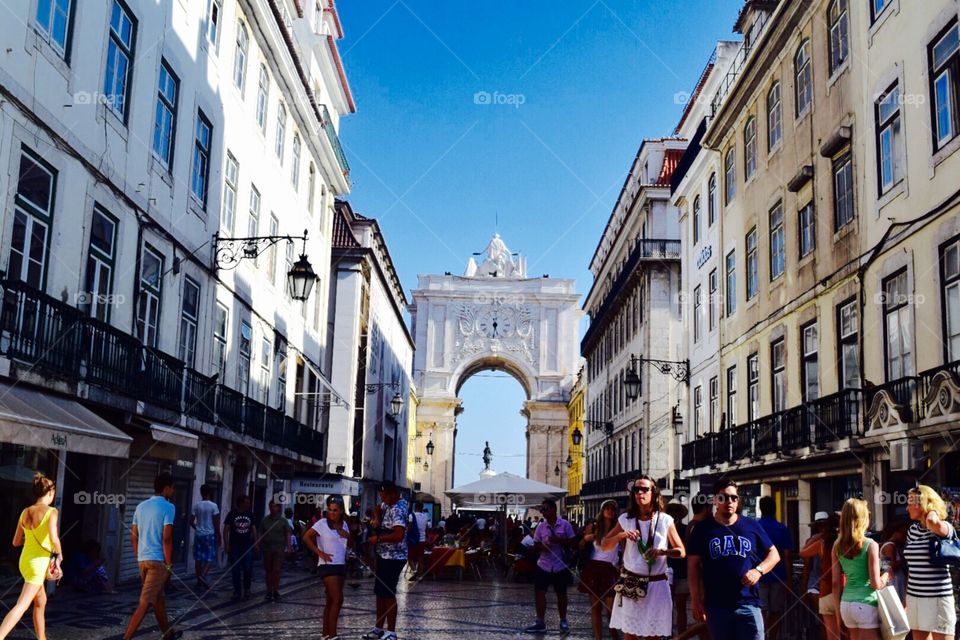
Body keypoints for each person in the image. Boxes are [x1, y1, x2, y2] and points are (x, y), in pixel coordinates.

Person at [687, 479, 780, 640]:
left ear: (738, 501)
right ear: (715, 500)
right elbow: (692, 566)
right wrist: (695, 600)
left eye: (734, 498)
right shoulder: (702, 529)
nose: (729, 501)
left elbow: (774, 554)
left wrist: (758, 571)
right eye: (723, 497)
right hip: (717, 607)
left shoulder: (751, 525)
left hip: (749, 604)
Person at [602, 475, 686, 640]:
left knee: (653, 636)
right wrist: (622, 535)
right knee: (630, 635)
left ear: (653, 493)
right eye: (636, 489)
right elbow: (605, 545)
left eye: (644, 489)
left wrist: (663, 552)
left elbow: (681, 551)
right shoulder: (626, 519)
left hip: (657, 586)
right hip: (632, 583)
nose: (640, 492)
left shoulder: (665, 520)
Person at [0, 473, 63, 640]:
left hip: (25, 561)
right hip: (38, 564)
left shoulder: (25, 512)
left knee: (40, 602)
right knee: (21, 605)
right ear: (50, 492)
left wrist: (31, 543)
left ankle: (42, 638)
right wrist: (60, 555)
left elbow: (15, 541)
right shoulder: (52, 511)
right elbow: (54, 538)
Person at [121, 472, 180, 640]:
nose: (174, 491)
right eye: (173, 488)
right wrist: (169, 564)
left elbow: (133, 536)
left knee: (158, 600)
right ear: (166, 488)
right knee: (145, 602)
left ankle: (168, 635)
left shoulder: (140, 506)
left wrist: (139, 555)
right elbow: (167, 538)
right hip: (158, 561)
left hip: (143, 560)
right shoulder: (169, 507)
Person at [904, 485, 956, 640]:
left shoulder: (944, 527)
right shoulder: (913, 530)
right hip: (915, 597)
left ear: (923, 504)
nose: (907, 508)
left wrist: (932, 509)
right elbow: (912, 568)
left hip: (938, 597)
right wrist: (906, 598)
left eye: (910, 503)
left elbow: (933, 521)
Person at [832, 498, 885, 640]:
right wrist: (887, 575)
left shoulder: (836, 546)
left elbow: (836, 583)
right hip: (866, 603)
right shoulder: (870, 545)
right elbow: (876, 584)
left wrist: (838, 615)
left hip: (846, 605)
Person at [524, 498, 577, 634]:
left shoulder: (565, 525)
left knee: (561, 594)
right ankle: (540, 621)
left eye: (545, 509)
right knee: (540, 593)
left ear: (553, 509)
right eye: (542, 510)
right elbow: (535, 544)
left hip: (560, 565)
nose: (543, 512)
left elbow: (573, 542)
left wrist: (559, 540)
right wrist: (543, 547)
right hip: (544, 565)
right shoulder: (541, 527)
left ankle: (563, 620)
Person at [363, 481, 407, 640]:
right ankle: (378, 628)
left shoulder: (398, 509)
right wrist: (376, 518)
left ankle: (391, 632)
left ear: (393, 493)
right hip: (383, 556)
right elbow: (377, 507)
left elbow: (398, 535)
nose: (383, 500)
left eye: (385, 497)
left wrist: (379, 539)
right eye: (381, 497)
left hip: (394, 558)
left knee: (388, 594)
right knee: (380, 593)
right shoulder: (387, 504)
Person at [304, 496, 352, 640]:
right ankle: (333, 635)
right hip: (327, 565)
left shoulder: (344, 525)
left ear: (341, 511)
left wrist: (347, 535)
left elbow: (350, 544)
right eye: (330, 510)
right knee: (338, 599)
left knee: (331, 600)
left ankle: (325, 634)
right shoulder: (321, 523)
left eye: (335, 510)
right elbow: (306, 537)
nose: (332, 513)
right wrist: (319, 552)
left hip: (340, 564)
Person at [579, 500, 621, 640]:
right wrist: (587, 537)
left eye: (613, 509)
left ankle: (615, 635)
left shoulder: (619, 527)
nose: (610, 511)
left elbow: (625, 547)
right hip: (594, 567)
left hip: (610, 568)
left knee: (611, 610)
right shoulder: (594, 526)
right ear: (602, 511)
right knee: (596, 608)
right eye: (607, 508)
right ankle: (598, 638)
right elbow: (581, 544)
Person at [757, 496, 794, 640]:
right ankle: (772, 637)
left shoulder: (756, 527)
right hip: (779, 575)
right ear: (775, 509)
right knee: (776, 611)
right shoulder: (782, 529)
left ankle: (763, 635)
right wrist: (789, 579)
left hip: (759, 575)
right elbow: (787, 556)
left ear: (761, 509)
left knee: (761, 611)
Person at [800, 512, 840, 640]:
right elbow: (806, 564)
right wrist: (805, 588)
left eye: (824, 526)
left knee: (829, 626)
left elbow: (803, 554)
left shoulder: (823, 542)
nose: (821, 529)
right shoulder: (821, 542)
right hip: (822, 586)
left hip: (826, 587)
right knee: (828, 625)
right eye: (819, 526)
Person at [223, 495, 258, 600]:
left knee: (248, 567)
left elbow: (254, 529)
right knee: (236, 569)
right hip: (235, 545)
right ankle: (237, 591)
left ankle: (247, 589)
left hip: (247, 544)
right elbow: (226, 529)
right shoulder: (232, 514)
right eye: (246, 502)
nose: (248, 504)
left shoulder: (250, 514)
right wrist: (226, 544)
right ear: (241, 503)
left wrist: (256, 543)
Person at [665, 501, 691, 635]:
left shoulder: (686, 529)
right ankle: (667, 634)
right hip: (665, 572)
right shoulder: (662, 529)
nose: (674, 513)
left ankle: (682, 635)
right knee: (666, 608)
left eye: (677, 511)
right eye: (671, 511)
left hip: (682, 571)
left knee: (681, 606)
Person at [190, 484, 220, 590]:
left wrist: (197, 528)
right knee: (210, 557)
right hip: (209, 535)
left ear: (201, 493)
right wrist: (218, 534)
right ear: (209, 493)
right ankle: (203, 576)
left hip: (198, 535)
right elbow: (216, 522)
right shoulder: (213, 506)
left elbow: (191, 521)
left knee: (198, 558)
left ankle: (199, 580)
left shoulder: (196, 505)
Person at [260, 499, 291, 602]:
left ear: (278, 508)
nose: (273, 508)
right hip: (267, 549)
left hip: (279, 549)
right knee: (268, 571)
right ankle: (269, 591)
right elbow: (261, 533)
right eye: (271, 506)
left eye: (275, 506)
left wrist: (289, 547)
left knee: (276, 571)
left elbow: (287, 533)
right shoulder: (265, 520)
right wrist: (258, 544)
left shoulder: (283, 521)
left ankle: (276, 590)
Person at [879, 518, 908, 605]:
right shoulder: (890, 546)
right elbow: (890, 567)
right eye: (903, 534)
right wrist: (903, 559)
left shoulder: (891, 545)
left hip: (895, 579)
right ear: (896, 533)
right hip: (894, 580)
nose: (905, 537)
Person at [407, 502, 428, 579]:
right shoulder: (425, 517)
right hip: (422, 540)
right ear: (422, 508)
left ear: (415, 507)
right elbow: (426, 528)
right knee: (420, 559)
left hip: (413, 540)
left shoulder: (411, 515)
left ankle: (415, 571)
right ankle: (420, 577)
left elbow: (409, 527)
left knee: (409, 557)